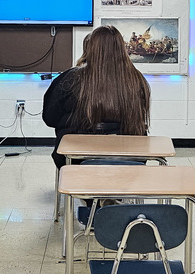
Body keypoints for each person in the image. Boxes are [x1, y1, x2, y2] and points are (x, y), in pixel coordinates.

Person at [42, 25, 151, 168]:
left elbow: (50, 118)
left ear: (90, 48)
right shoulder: (137, 79)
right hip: (130, 158)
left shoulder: (70, 78)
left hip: (76, 159)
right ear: (121, 48)